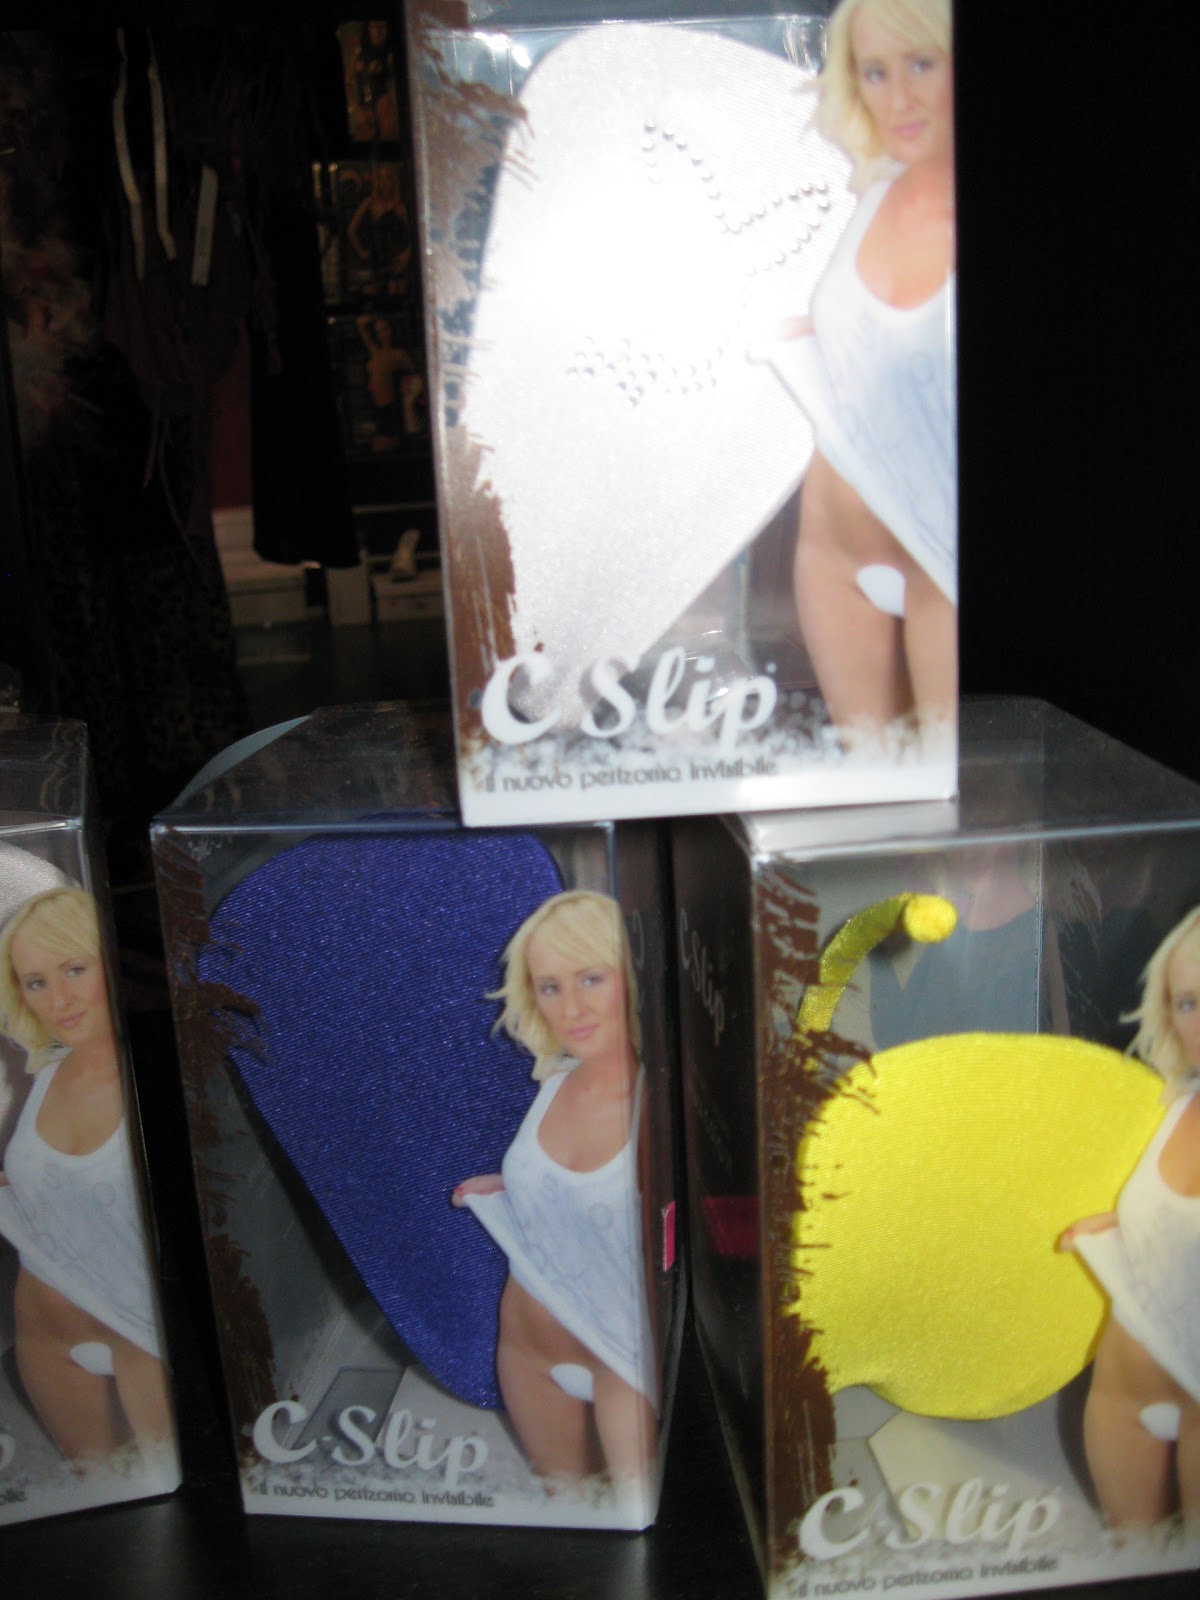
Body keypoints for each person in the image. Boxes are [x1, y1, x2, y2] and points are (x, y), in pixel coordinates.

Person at [780, 0, 956, 742]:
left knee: (959, 795)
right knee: (872, 790)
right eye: (876, 73)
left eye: (921, 64)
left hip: (941, 564)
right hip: (830, 555)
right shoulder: (872, 192)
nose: (899, 98)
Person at [452, 890, 657, 1489]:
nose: (571, 1008)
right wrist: (512, 1185)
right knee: (568, 1510)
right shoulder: (556, 1081)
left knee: (638, 1515)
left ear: (631, 976)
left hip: (622, 1358)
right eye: (550, 987)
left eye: (592, 978)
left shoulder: (657, 1105)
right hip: (526, 1352)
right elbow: (571, 1186)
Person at [0, 888, 173, 1464]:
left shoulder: (158, 1078)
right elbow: (48, 1187)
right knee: (101, 1494)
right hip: (42, 1335)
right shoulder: (45, 1074)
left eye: (75, 969)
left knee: (171, 1486)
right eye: (36, 982)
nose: (59, 1000)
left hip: (140, 1335)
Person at [1060, 906, 1200, 1527]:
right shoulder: (1172, 1104)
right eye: (1188, 1002)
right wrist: (1118, 1225)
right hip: (1118, 1399)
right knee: (1133, 1559)